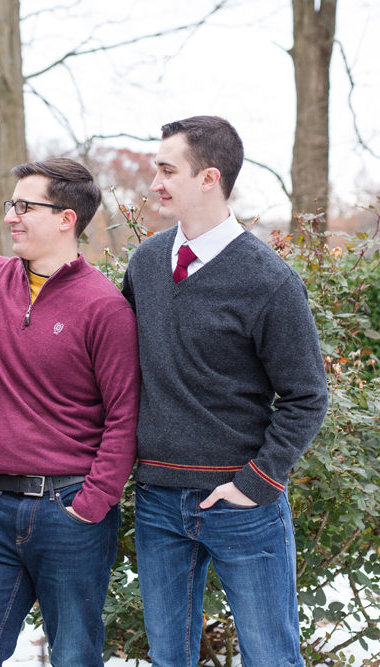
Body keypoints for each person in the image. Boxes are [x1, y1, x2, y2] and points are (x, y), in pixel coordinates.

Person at [121, 115, 328, 666]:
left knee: (271, 657)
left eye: (168, 170)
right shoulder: (144, 264)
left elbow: (307, 395)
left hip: (242, 505)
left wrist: (257, 482)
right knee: (170, 658)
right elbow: (123, 372)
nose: (155, 183)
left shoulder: (269, 280)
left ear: (209, 177)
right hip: (159, 499)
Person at [0, 158, 140, 666]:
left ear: (67, 219)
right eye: (10, 205)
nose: (11, 217)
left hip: (71, 509)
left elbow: (124, 416)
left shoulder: (104, 307)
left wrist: (92, 503)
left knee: (74, 655)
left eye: (25, 206)